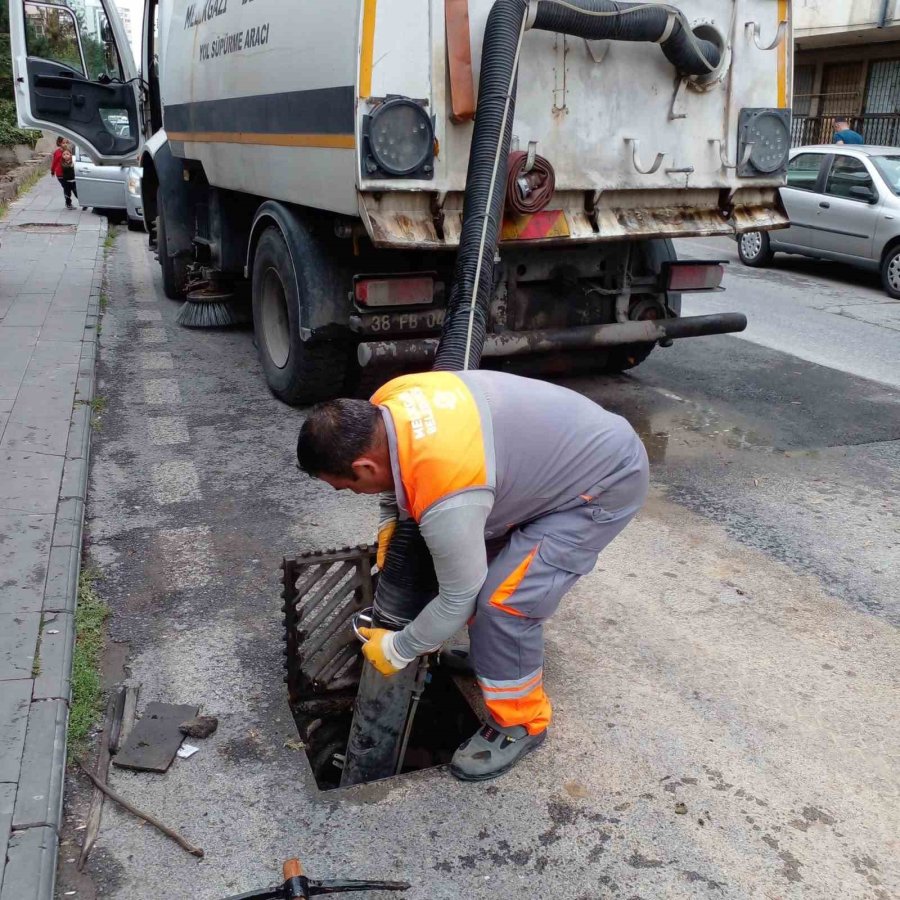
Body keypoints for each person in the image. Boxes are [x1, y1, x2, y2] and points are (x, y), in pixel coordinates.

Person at [296, 370, 649, 781]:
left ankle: (520, 723)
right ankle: (492, 657)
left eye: (350, 487)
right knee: (480, 569)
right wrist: (391, 518)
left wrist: (400, 649)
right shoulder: (388, 403)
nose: (357, 495)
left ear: (363, 464)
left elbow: (457, 597)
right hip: (558, 458)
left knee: (504, 603)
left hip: (601, 484)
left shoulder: (447, 489)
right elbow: (400, 472)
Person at [59, 144, 78, 209]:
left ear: (70, 155)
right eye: (64, 154)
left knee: (77, 193)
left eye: (67, 154)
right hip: (66, 181)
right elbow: (65, 167)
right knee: (67, 194)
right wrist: (71, 165)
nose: (66, 156)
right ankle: (68, 204)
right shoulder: (63, 162)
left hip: (74, 181)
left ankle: (84, 203)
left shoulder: (73, 161)